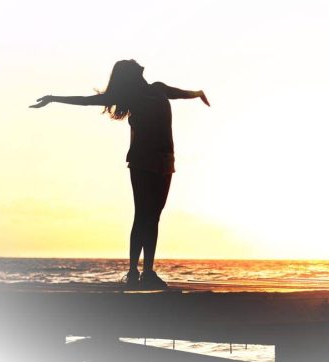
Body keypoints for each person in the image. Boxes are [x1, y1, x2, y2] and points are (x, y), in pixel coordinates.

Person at [30, 59, 210, 289]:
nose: (139, 64)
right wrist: (53, 98)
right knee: (143, 214)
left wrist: (198, 93)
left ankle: (147, 272)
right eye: (133, 64)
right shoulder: (129, 97)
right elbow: (86, 101)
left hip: (166, 160)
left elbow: (181, 93)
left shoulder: (159, 88)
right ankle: (134, 271)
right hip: (142, 160)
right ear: (131, 75)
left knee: (153, 216)